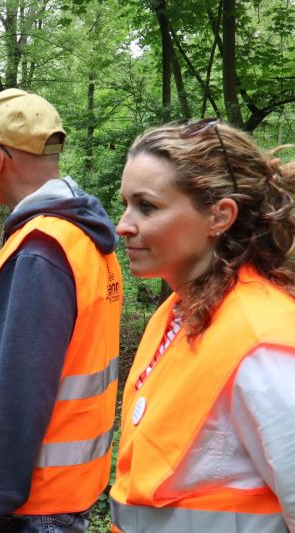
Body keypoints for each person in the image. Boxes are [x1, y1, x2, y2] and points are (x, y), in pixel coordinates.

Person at [110, 120, 295, 532]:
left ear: (219, 216)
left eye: (147, 206)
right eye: (125, 203)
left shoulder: (261, 341)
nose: (123, 225)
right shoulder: (178, 312)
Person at [0, 88, 123, 532]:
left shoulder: (39, 253)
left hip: (28, 509)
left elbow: (20, 397)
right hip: (63, 494)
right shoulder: (83, 238)